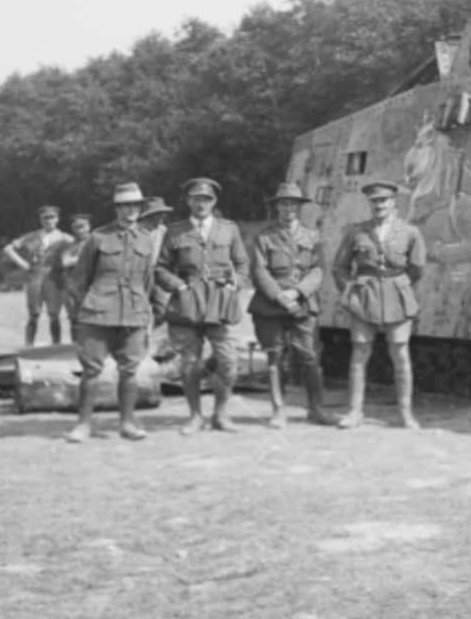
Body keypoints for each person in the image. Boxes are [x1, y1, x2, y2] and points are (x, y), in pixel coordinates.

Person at [64, 184, 157, 443]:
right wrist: (86, 310)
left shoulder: (146, 239)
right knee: (91, 370)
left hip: (134, 314)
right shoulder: (98, 238)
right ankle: (83, 424)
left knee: (129, 370)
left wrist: (144, 310)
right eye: (125, 205)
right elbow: (78, 280)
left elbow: (147, 281)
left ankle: (127, 423)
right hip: (97, 315)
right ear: (116, 208)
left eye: (136, 206)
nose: (131, 211)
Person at [155, 177, 249, 434]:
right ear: (187, 201)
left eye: (206, 199)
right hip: (187, 304)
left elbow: (242, 265)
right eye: (195, 198)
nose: (201, 203)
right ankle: (195, 416)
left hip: (220, 302)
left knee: (228, 361)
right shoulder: (175, 231)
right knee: (190, 362)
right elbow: (161, 268)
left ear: (214, 201)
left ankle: (220, 413)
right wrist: (180, 286)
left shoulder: (229, 229)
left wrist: (234, 284)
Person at [332, 179, 427, 430]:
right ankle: (354, 412)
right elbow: (339, 267)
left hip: (397, 298)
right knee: (360, 353)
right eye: (374, 201)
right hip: (365, 298)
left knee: (400, 353)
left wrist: (401, 286)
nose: (379, 205)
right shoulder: (356, 232)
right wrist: (350, 292)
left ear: (394, 202)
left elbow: (417, 267)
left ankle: (406, 414)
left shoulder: (410, 232)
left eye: (383, 200)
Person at [249, 182, 337, 428]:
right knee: (274, 357)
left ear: (300, 207)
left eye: (293, 204)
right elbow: (259, 271)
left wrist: (298, 292)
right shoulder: (264, 237)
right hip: (270, 306)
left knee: (310, 356)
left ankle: (316, 408)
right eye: (284, 203)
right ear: (276, 206)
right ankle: (278, 409)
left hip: (303, 305)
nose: (288, 208)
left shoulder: (312, 236)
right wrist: (280, 296)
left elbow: (318, 270)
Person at [3, 205, 72, 345]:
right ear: (40, 220)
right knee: (34, 314)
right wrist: (23, 264)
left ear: (57, 219)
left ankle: (56, 346)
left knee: (54, 314)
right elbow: (8, 249)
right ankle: (29, 346)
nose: (48, 221)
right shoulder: (31, 236)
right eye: (45, 218)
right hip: (34, 277)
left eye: (52, 217)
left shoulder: (65, 238)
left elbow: (78, 251)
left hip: (54, 278)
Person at [47, 213, 93, 342]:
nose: (80, 230)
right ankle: (76, 347)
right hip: (73, 287)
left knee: (93, 318)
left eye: (82, 226)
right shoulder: (69, 246)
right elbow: (64, 262)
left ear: (89, 226)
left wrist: (76, 260)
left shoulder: (96, 242)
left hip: (93, 286)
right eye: (76, 227)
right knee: (74, 319)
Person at [139, 196, 174, 325]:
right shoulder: (136, 230)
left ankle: (153, 334)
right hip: (138, 274)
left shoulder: (164, 231)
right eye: (158, 214)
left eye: (162, 214)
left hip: (157, 273)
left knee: (163, 309)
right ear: (149, 215)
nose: (161, 217)